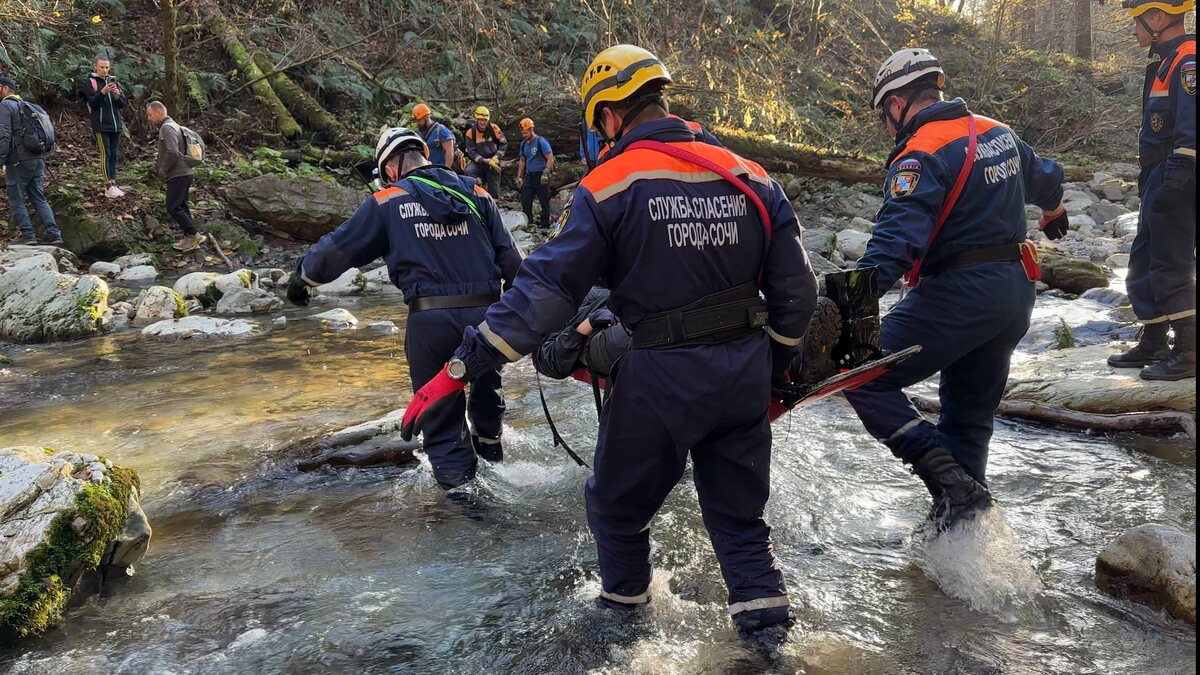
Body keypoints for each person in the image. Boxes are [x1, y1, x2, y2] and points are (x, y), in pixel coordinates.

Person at [400, 45, 817, 645]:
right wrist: (773, 363)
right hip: (743, 370)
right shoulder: (749, 174)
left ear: (610, 115)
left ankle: (624, 630)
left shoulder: (611, 183)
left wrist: (465, 364)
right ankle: (771, 642)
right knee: (742, 524)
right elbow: (797, 291)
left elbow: (546, 292)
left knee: (617, 508)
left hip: (662, 375)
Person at [840, 48, 1066, 530]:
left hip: (961, 292)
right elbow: (1045, 179)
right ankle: (960, 530)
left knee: (858, 373)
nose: (887, 124)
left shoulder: (921, 152)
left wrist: (842, 308)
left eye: (884, 114)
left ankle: (941, 472)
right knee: (968, 421)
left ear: (897, 103)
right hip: (1015, 294)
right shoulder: (996, 131)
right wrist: (1054, 211)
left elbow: (894, 246)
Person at [287, 127, 523, 488]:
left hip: (430, 322)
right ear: (423, 154)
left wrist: (303, 278)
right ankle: (494, 459)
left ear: (390, 168)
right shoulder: (478, 193)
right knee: (487, 395)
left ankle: (464, 502)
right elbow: (512, 262)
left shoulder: (387, 201)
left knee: (442, 422)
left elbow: (340, 247)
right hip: (485, 320)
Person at [1107, 0, 1195, 381]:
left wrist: (1176, 178)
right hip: (1157, 173)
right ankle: (1155, 338)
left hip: (1177, 174)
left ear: (1158, 18)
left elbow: (1191, 126)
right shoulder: (1165, 59)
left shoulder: (1188, 61)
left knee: (1171, 260)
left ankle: (1189, 351)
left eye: (1137, 21)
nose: (1133, 30)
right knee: (1142, 258)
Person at [0, 76, 63, 246]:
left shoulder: (6, 105)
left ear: (5, 88)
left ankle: (28, 236)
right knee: (38, 197)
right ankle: (53, 234)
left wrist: (1, 160)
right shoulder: (27, 106)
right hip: (37, 157)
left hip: (19, 160)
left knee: (16, 198)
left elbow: (4, 135)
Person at [146, 101, 205, 250]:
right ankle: (190, 238)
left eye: (150, 114)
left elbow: (172, 151)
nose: (149, 118)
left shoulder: (167, 127)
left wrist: (163, 170)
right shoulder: (174, 125)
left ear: (159, 112)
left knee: (172, 207)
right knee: (182, 206)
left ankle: (194, 235)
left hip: (178, 174)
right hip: (184, 173)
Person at [84, 57, 127, 198]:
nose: (104, 70)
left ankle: (113, 183)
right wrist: (102, 92)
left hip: (115, 124)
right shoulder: (91, 82)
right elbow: (92, 103)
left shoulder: (112, 81)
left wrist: (117, 95)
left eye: (107, 67)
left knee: (114, 154)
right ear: (95, 67)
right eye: (102, 67)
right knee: (105, 154)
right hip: (101, 124)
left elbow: (122, 104)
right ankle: (107, 185)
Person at [516, 118, 555, 230]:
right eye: (522, 133)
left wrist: (546, 172)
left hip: (541, 175)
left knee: (544, 200)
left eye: (526, 133)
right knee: (526, 199)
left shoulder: (540, 142)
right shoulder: (523, 144)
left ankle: (545, 223)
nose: (524, 135)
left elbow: (550, 157)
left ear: (531, 130)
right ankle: (529, 222)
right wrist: (519, 177)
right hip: (529, 176)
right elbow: (522, 161)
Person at [464, 106, 507, 196]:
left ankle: (494, 198)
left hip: (493, 160)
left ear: (488, 120)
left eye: (485, 120)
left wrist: (497, 157)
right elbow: (471, 152)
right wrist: (484, 161)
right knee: (469, 171)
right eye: (480, 120)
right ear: (476, 119)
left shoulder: (494, 129)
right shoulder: (470, 133)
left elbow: (503, 144)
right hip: (478, 162)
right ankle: (475, 193)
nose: (483, 122)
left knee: (494, 191)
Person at [412, 103, 454, 170]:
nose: (417, 123)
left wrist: (446, 170)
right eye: (416, 121)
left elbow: (449, 151)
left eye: (419, 120)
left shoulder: (441, 130)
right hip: (425, 169)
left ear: (427, 117)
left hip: (439, 169)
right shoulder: (417, 132)